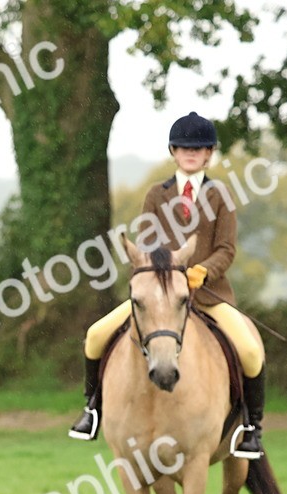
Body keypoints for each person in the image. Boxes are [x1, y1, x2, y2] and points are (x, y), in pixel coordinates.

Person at [69, 111, 267, 458]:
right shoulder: (156, 195)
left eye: (198, 148)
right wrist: (162, 276)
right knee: (96, 335)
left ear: (209, 154)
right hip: (160, 296)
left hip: (208, 297)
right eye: (184, 148)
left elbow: (226, 249)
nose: (191, 153)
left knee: (250, 351)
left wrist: (203, 271)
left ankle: (251, 429)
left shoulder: (220, 195)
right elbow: (147, 244)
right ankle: (93, 410)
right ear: (174, 152)